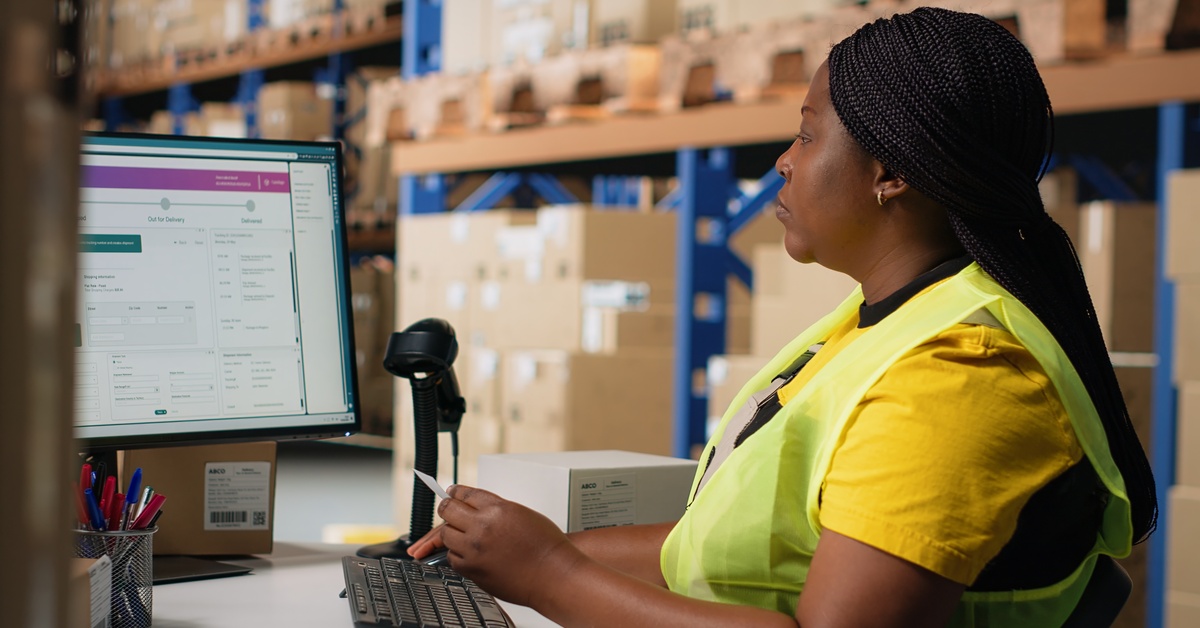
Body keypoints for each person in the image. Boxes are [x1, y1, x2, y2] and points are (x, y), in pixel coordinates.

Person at [408, 8, 1158, 626]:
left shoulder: (958, 374)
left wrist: (551, 574)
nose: (784, 162)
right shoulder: (880, 325)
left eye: (806, 132)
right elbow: (724, 549)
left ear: (890, 172)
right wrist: (524, 546)